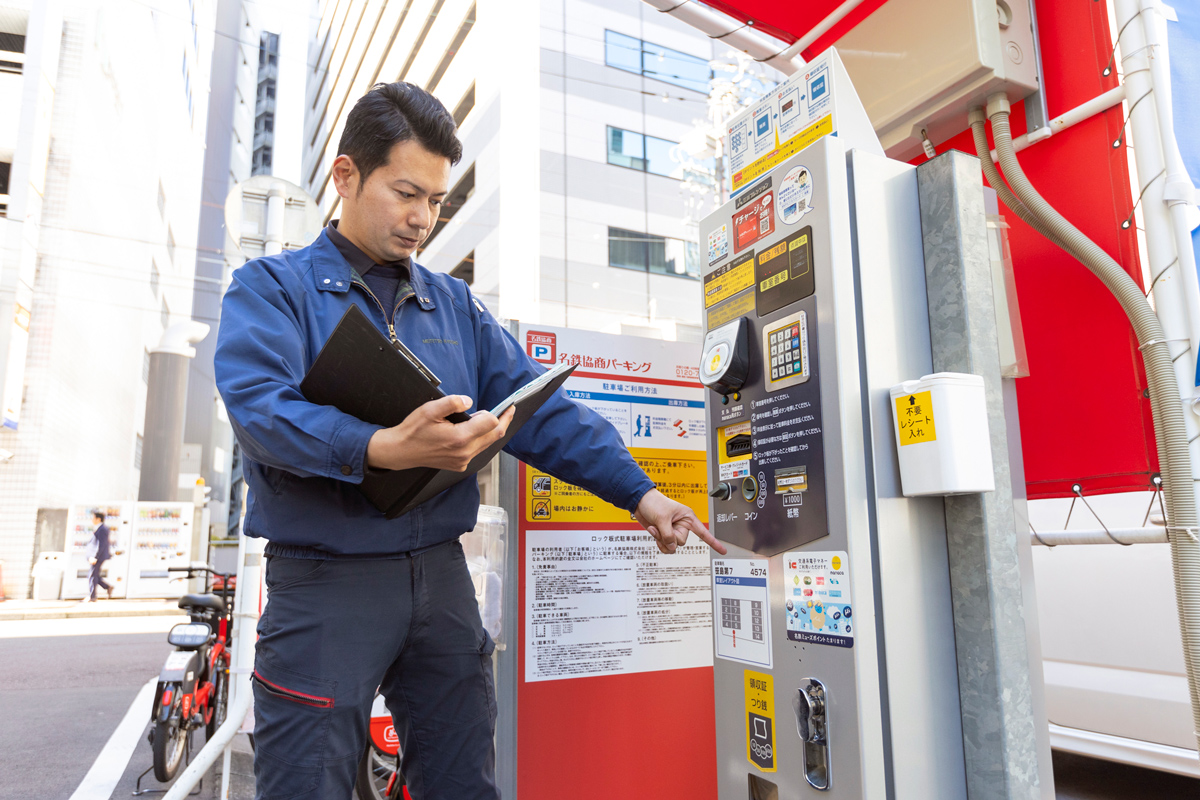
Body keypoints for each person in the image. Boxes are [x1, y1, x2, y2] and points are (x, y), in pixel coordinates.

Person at [214, 81, 726, 800]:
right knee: (307, 783)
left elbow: (541, 415)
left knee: (463, 780)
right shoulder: (270, 289)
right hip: (324, 580)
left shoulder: (454, 304)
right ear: (346, 175)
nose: (421, 218)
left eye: (436, 201)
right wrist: (381, 447)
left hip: (442, 578)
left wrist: (641, 494)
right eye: (405, 193)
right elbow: (259, 411)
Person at [84, 510, 112, 602]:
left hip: (98, 557)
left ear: (98, 519)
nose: (92, 519)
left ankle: (92, 596)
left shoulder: (102, 529)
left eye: (93, 518)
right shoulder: (101, 528)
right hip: (98, 556)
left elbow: (101, 544)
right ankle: (107, 587)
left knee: (92, 575)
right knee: (94, 575)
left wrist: (95, 557)